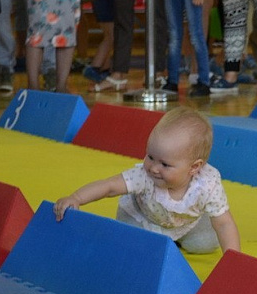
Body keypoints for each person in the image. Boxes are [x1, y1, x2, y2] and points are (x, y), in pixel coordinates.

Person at [54, 106, 240, 254]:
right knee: (133, 245)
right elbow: (109, 186)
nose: (153, 168)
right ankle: (160, 241)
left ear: (194, 167)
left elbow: (224, 223)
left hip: (185, 223)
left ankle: (174, 240)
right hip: (143, 218)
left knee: (206, 244)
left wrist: (234, 261)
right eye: (150, 156)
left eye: (165, 164)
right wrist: (76, 198)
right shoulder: (145, 176)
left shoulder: (207, 183)